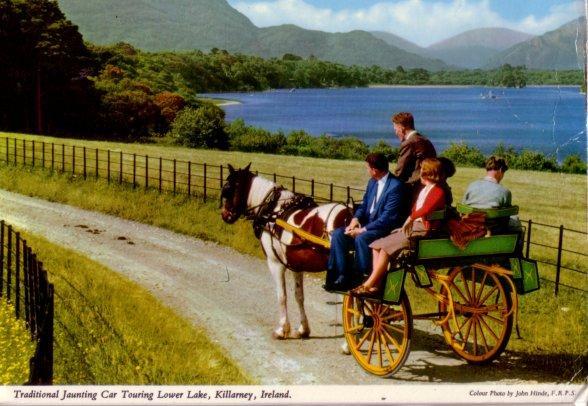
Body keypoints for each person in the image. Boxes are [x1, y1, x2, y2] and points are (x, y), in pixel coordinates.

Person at [350, 158, 449, 298]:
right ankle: (376, 284)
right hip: (414, 226)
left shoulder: (438, 191)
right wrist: (403, 227)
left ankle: (368, 284)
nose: (419, 173)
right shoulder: (426, 189)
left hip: (423, 229)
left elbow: (425, 209)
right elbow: (416, 208)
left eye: (421, 170)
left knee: (385, 249)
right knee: (376, 246)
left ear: (426, 173)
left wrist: (410, 219)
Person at [324, 153, 406, 291]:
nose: (367, 171)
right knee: (339, 234)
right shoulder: (372, 182)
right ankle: (341, 276)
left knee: (362, 238)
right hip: (367, 225)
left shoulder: (395, 186)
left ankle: (362, 276)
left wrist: (362, 230)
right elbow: (364, 205)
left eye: (367, 168)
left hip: (384, 229)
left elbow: (387, 218)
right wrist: (355, 220)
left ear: (374, 170)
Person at [462, 156, 521, 234]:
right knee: (515, 220)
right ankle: (516, 245)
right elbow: (505, 219)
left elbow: (462, 208)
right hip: (492, 232)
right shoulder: (505, 192)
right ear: (500, 170)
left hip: (469, 229)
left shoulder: (472, 185)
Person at [392, 112, 437, 189]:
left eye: (396, 129)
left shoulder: (409, 143)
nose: (396, 133)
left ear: (401, 127)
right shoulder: (425, 140)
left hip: (413, 187)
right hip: (428, 183)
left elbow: (400, 171)